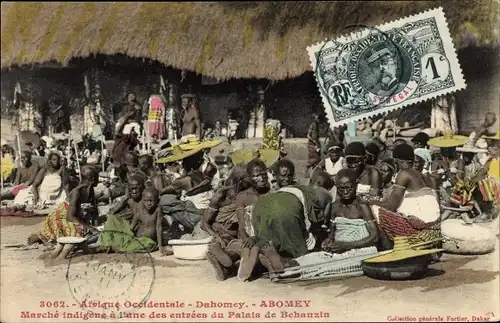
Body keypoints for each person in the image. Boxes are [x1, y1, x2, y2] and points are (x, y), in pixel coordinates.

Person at [205, 159, 271, 281]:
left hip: (253, 235)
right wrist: (245, 237)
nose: (261, 178)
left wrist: (252, 237)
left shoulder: (265, 194)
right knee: (248, 249)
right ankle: (225, 260)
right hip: (236, 235)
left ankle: (226, 265)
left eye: (264, 174)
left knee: (248, 249)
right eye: (256, 176)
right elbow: (241, 224)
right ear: (248, 178)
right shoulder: (235, 196)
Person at [253, 182, 333, 274]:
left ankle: (261, 255)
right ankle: (283, 261)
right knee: (300, 256)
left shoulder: (298, 188)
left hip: (261, 204)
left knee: (268, 240)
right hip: (286, 207)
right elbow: (320, 220)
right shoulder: (325, 196)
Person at [371, 144, 441, 249]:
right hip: (434, 225)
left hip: (418, 227)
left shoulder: (404, 174)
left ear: (397, 162)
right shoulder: (429, 178)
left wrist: (373, 203)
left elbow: (391, 207)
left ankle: (389, 250)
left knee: (373, 210)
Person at [27, 165, 99, 245]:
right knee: (76, 233)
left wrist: (96, 226)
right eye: (97, 178)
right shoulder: (76, 192)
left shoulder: (90, 190)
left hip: (76, 216)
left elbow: (94, 211)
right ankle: (37, 237)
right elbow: (70, 217)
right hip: (62, 216)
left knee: (88, 231)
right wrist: (91, 228)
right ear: (93, 180)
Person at [321, 169, 379, 253]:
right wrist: (328, 241)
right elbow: (332, 233)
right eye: (341, 188)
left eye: (348, 188)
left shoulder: (361, 206)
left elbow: (375, 237)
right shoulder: (335, 207)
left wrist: (347, 246)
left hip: (359, 251)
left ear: (355, 185)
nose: (345, 192)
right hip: (339, 250)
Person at [305, 113, 321, 178]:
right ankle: (307, 170)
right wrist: (313, 141)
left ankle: (314, 173)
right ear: (315, 119)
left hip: (316, 143)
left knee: (317, 158)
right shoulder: (312, 125)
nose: (319, 120)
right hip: (312, 144)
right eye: (317, 118)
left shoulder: (317, 126)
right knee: (314, 157)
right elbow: (308, 135)